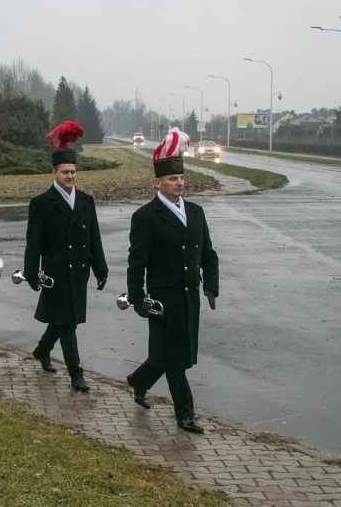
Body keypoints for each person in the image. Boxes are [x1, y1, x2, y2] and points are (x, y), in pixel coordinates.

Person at [125, 128, 219, 434]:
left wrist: (211, 285)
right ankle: (185, 414)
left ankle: (138, 382)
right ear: (158, 182)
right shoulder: (146, 217)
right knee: (175, 361)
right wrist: (137, 298)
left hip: (189, 298)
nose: (179, 182)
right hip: (163, 303)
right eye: (172, 179)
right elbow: (136, 262)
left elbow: (208, 253)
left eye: (181, 178)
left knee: (169, 355)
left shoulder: (196, 212)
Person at [23, 121, 108, 392]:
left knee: (62, 320)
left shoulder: (86, 201)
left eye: (73, 172)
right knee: (67, 323)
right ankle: (76, 375)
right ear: (54, 172)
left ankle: (42, 351)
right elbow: (33, 242)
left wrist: (101, 268)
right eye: (65, 172)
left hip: (79, 272)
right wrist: (31, 272)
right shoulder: (41, 203)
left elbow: (94, 237)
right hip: (55, 274)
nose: (70, 176)